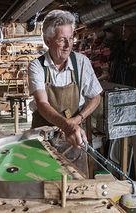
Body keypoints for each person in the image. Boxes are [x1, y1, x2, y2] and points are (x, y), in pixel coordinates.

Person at [28, 10, 102, 148]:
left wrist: (77, 119)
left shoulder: (81, 62)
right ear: (47, 41)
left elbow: (95, 97)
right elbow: (42, 104)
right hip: (42, 135)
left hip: (74, 135)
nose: (68, 45)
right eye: (62, 40)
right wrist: (67, 125)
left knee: (73, 169)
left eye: (71, 38)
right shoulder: (37, 66)